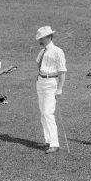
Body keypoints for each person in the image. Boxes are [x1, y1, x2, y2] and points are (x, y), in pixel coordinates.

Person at [34, 26, 67, 154]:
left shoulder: (58, 51)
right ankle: (48, 139)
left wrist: (59, 88)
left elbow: (62, 71)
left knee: (48, 112)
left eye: (41, 38)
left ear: (48, 37)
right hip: (41, 81)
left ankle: (54, 143)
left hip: (51, 83)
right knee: (43, 112)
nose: (40, 41)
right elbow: (38, 64)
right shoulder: (42, 52)